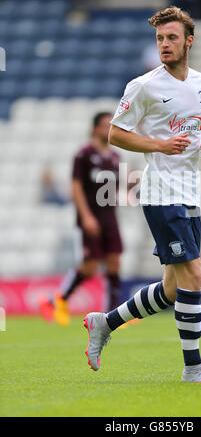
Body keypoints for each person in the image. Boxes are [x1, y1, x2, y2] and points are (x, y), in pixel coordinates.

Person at [83, 7, 201, 383]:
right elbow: (116, 133)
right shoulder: (144, 85)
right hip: (161, 192)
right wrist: (159, 145)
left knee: (170, 288)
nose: (165, 44)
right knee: (194, 276)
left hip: (190, 190)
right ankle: (194, 368)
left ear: (188, 41)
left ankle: (106, 321)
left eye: (172, 38)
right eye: (160, 39)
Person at [39, 112, 123, 326]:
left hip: (110, 217)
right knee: (90, 266)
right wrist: (86, 216)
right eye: (104, 125)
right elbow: (75, 186)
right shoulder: (83, 154)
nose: (108, 129)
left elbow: (114, 190)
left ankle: (112, 314)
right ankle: (56, 300)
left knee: (114, 262)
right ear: (94, 129)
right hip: (91, 217)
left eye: (110, 125)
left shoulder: (115, 156)